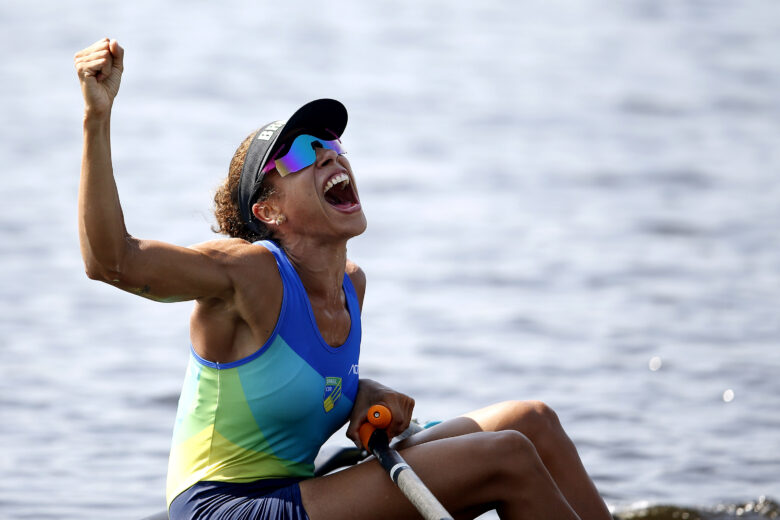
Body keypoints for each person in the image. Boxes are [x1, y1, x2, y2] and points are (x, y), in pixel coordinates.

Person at [75, 37, 613, 520]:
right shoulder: (249, 272)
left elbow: (303, 382)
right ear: (269, 212)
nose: (329, 151)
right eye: (305, 151)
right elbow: (112, 262)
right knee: (506, 457)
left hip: (299, 490)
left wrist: (363, 393)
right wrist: (96, 120)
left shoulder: (351, 287)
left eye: (332, 142)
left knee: (532, 420)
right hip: (224, 508)